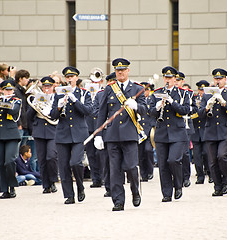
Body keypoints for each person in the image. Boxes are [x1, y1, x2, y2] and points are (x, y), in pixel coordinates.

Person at [95, 58, 146, 211]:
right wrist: (98, 134)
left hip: (130, 134)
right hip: (112, 135)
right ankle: (118, 201)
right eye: (117, 70)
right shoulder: (109, 88)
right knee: (115, 170)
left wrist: (136, 106)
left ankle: (135, 191)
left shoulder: (137, 88)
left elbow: (145, 110)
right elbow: (102, 112)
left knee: (131, 167)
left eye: (123, 70)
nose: (120, 72)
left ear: (128, 71)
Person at [51, 66, 92, 204]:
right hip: (63, 134)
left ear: (76, 78)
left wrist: (75, 101)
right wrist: (58, 106)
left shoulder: (84, 93)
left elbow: (88, 111)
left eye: (72, 77)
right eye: (67, 77)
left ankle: (80, 187)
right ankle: (69, 195)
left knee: (75, 162)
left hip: (79, 133)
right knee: (63, 166)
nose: (70, 79)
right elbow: (53, 116)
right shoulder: (58, 94)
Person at [148, 66, 190, 202]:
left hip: (177, 133)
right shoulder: (156, 93)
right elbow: (150, 113)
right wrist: (157, 107)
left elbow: (186, 110)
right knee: (163, 165)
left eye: (170, 78)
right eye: (165, 77)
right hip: (161, 133)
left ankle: (178, 185)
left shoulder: (183, 93)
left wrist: (172, 102)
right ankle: (166, 193)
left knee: (173, 160)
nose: (167, 80)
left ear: (175, 79)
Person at [198, 68, 227, 197]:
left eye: (220, 79)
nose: (218, 81)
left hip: (225, 131)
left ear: (225, 80)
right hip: (211, 131)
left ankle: (226, 182)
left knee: (222, 156)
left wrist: (224, 103)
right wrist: (207, 107)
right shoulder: (206, 94)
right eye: (216, 78)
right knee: (213, 161)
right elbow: (199, 114)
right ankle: (217, 186)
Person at [27, 76, 59, 194]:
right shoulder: (37, 98)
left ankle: (53, 181)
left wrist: (50, 110)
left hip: (52, 130)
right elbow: (28, 117)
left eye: (49, 87)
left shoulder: (56, 98)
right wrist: (34, 106)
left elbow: (57, 114)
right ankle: (46, 185)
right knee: (41, 159)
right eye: (45, 87)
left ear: (52, 87)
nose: (47, 89)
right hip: (39, 130)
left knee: (51, 156)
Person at [174, 71, 196, 188]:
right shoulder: (170, 93)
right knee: (176, 154)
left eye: (178, 80)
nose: (176, 82)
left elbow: (195, 109)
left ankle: (186, 176)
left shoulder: (188, 94)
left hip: (186, 125)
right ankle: (178, 176)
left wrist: (187, 110)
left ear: (182, 81)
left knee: (185, 153)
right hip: (174, 126)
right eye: (175, 80)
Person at [191, 80, 211, 184]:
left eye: (203, 90)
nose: (201, 92)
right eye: (200, 89)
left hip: (206, 130)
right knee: (197, 156)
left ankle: (210, 173)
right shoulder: (194, 98)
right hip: (196, 131)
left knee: (207, 154)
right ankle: (200, 176)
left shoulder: (210, 99)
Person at [138, 82, 155, 182]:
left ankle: (150, 171)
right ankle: (143, 174)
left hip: (149, 129)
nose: (145, 92)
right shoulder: (139, 100)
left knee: (148, 150)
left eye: (147, 90)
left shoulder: (151, 99)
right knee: (140, 153)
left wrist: (153, 127)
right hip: (140, 129)